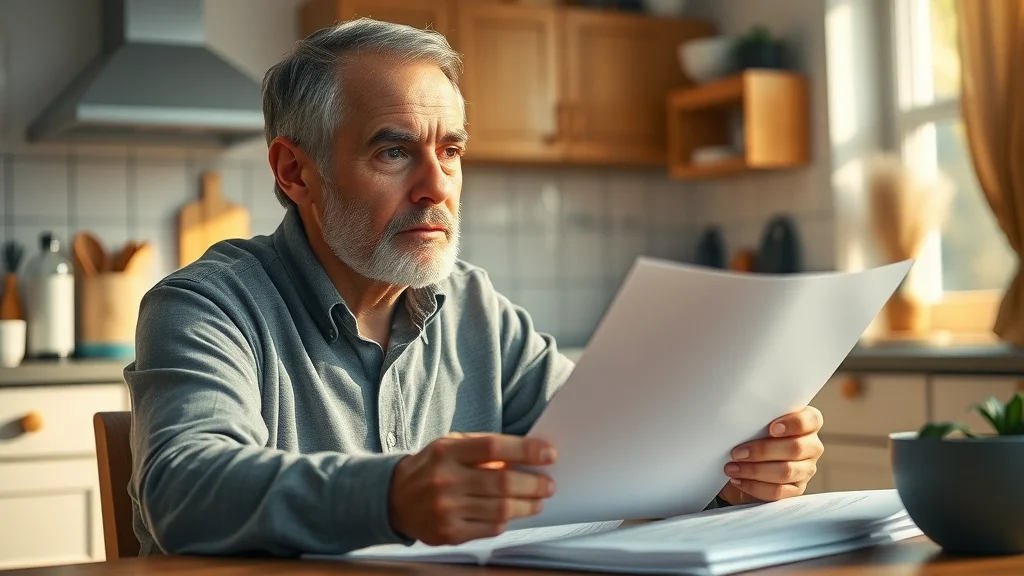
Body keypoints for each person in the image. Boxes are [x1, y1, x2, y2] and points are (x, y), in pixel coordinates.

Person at [124, 17, 824, 557]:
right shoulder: (207, 306)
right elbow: (185, 488)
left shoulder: (475, 308)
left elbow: (611, 454)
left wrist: (727, 479)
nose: (436, 187)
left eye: (451, 151)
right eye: (394, 150)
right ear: (295, 173)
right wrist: (392, 496)